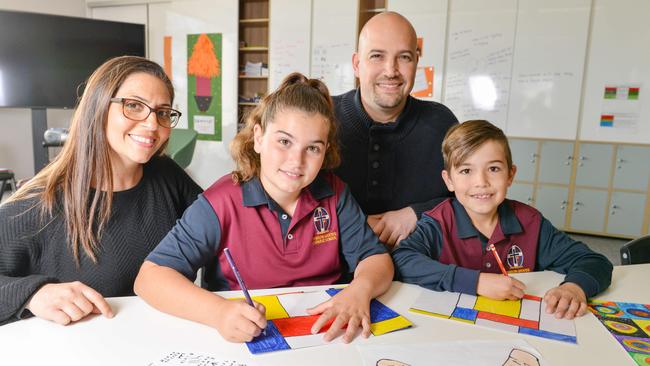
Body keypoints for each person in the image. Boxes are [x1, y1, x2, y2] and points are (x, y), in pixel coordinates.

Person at [134, 73, 393, 344]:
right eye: (284, 141)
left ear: (325, 150)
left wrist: (359, 289)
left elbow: (376, 259)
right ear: (258, 137)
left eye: (313, 148)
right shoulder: (221, 201)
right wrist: (219, 313)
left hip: (327, 338)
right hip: (246, 339)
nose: (296, 160)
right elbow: (150, 279)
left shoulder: (335, 193)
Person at [0, 56, 202, 326]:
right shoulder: (38, 204)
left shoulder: (167, 175)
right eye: (133, 105)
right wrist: (34, 294)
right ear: (98, 107)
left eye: (162, 112)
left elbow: (225, 220)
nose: (152, 124)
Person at [393, 120, 612, 320]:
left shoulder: (530, 223)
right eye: (466, 170)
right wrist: (475, 282)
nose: (481, 181)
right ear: (449, 180)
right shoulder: (438, 222)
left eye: (494, 168)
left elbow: (595, 262)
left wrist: (574, 288)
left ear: (510, 175)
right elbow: (402, 260)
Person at [334, 12, 458, 248]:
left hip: (422, 275)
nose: (391, 70)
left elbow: (472, 198)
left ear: (416, 64)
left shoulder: (442, 123)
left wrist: (416, 213)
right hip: (332, 276)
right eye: (377, 56)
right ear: (357, 64)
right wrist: (352, 222)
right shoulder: (322, 117)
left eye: (404, 57)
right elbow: (287, 194)